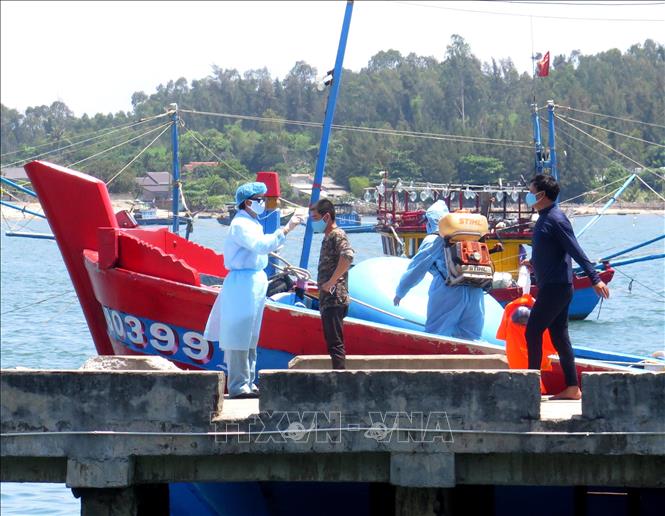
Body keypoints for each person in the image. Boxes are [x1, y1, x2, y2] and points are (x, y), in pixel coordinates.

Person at [204, 181, 302, 399]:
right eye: (260, 199)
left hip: (254, 281)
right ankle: (238, 385)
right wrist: (286, 229)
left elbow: (263, 246)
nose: (263, 203)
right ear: (248, 202)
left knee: (251, 335)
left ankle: (248, 381)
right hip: (243, 283)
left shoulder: (252, 222)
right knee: (239, 334)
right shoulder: (241, 224)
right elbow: (260, 245)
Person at [524, 174, 610, 400]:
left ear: (542, 195)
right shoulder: (544, 218)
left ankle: (531, 388)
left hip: (556, 287)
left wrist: (595, 278)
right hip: (554, 286)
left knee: (533, 330)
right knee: (559, 337)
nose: (528, 196)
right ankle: (572, 387)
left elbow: (575, 250)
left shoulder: (556, 219)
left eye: (531, 192)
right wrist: (534, 262)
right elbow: (551, 251)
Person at [393, 200, 485, 340]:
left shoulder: (434, 239)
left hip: (448, 289)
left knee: (436, 335)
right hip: (475, 291)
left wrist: (400, 291)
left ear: (431, 221)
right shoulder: (470, 237)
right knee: (472, 339)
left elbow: (417, 269)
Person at [310, 199, 355, 369]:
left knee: (335, 344)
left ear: (326, 217)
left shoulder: (337, 234)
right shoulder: (328, 236)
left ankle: (340, 379)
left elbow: (348, 256)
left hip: (334, 298)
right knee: (332, 342)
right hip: (328, 299)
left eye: (316, 218)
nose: (313, 223)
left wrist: (331, 282)